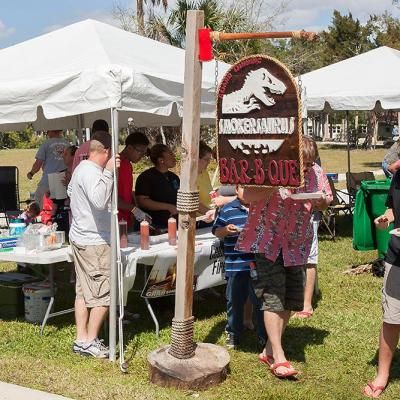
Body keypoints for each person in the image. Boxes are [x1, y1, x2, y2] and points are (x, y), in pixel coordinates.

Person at [236, 135, 332, 378]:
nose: (306, 169)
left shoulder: (315, 172)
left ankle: (268, 349)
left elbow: (325, 200)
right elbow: (245, 195)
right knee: (273, 296)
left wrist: (320, 201)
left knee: (290, 297)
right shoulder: (269, 168)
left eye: (310, 164)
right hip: (267, 240)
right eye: (302, 163)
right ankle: (278, 356)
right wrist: (273, 184)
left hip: (297, 242)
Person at [68, 131, 120, 358]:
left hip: (82, 236)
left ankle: (81, 339)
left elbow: (70, 191)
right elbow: (99, 202)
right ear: (107, 152)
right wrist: (108, 173)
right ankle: (89, 341)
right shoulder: (92, 171)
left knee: (83, 291)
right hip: (94, 241)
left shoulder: (80, 168)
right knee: (102, 294)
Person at [212, 184, 266, 349]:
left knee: (260, 300)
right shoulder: (227, 209)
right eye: (244, 188)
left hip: (258, 263)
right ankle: (234, 333)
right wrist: (226, 230)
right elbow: (216, 230)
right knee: (234, 300)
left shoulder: (261, 207)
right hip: (235, 264)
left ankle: (263, 335)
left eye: (251, 189)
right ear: (236, 189)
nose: (248, 192)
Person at [363, 171, 400, 397]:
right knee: (391, 317)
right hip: (397, 257)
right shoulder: (398, 178)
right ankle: (382, 374)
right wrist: (385, 217)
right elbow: (393, 207)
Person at [135, 144, 179, 230]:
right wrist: (168, 207)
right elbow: (142, 201)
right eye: (170, 154)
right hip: (155, 226)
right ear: (161, 160)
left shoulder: (174, 177)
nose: (174, 156)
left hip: (174, 224)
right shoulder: (146, 177)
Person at [27, 130, 69, 209]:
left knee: (38, 201)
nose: (47, 133)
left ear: (52, 131)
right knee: (59, 205)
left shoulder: (46, 144)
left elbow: (38, 163)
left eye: (48, 131)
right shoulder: (67, 144)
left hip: (48, 178)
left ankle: (33, 217)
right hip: (63, 178)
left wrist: (31, 173)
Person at [118, 131, 150, 230]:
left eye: (144, 153)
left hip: (127, 218)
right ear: (129, 148)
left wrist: (135, 208)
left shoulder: (129, 165)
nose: (141, 156)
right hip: (116, 220)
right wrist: (134, 209)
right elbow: (112, 198)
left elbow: (127, 191)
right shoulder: (115, 165)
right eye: (140, 152)